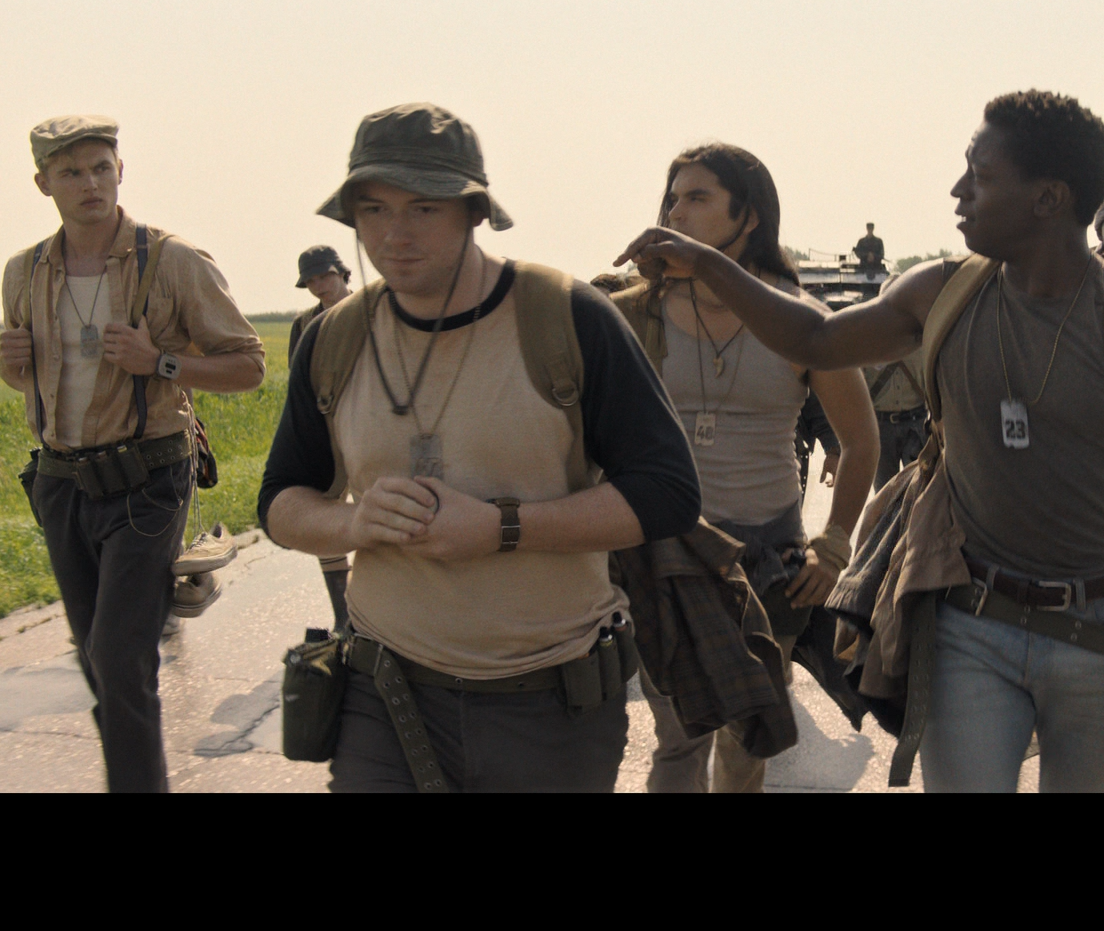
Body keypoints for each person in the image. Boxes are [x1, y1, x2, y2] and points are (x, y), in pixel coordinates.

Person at [618, 90, 1104, 792]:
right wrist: (708, 264)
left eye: (980, 175)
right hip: (970, 625)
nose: (957, 191)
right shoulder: (939, 294)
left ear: (1048, 198)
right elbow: (816, 338)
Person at [258, 103, 700, 792]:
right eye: (373, 210)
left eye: (423, 208)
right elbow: (280, 502)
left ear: (474, 212)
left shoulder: (568, 317)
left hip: (550, 700)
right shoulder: (333, 339)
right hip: (384, 692)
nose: (394, 234)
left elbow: (667, 493)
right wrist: (353, 523)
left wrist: (502, 527)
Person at [0, 115, 266, 792]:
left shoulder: (173, 261)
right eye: (70, 172)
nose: (89, 183)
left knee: (121, 660)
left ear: (120, 171)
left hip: (148, 479)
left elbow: (248, 366)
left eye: (100, 167)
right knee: (98, 662)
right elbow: (31, 382)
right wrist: (11, 368)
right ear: (43, 183)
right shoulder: (24, 272)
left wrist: (161, 362)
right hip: (61, 482)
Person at [611, 143, 878, 793]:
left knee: (745, 744)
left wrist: (833, 547)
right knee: (678, 739)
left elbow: (861, 439)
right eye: (672, 198)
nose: (676, 212)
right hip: (664, 553)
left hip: (764, 558)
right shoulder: (632, 314)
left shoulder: (802, 322)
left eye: (698, 197)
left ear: (749, 216)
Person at [285, 245, 356, 632]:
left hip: (374, 428)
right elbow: (298, 385)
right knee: (326, 516)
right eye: (310, 280)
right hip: (326, 433)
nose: (318, 285)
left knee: (384, 510)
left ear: (342, 273)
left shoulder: (373, 309)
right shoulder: (303, 325)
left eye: (324, 275)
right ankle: (343, 618)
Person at [864, 342, 927, 491]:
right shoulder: (867, 340)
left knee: (920, 490)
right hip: (880, 426)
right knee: (884, 493)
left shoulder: (922, 338)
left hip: (917, 424)